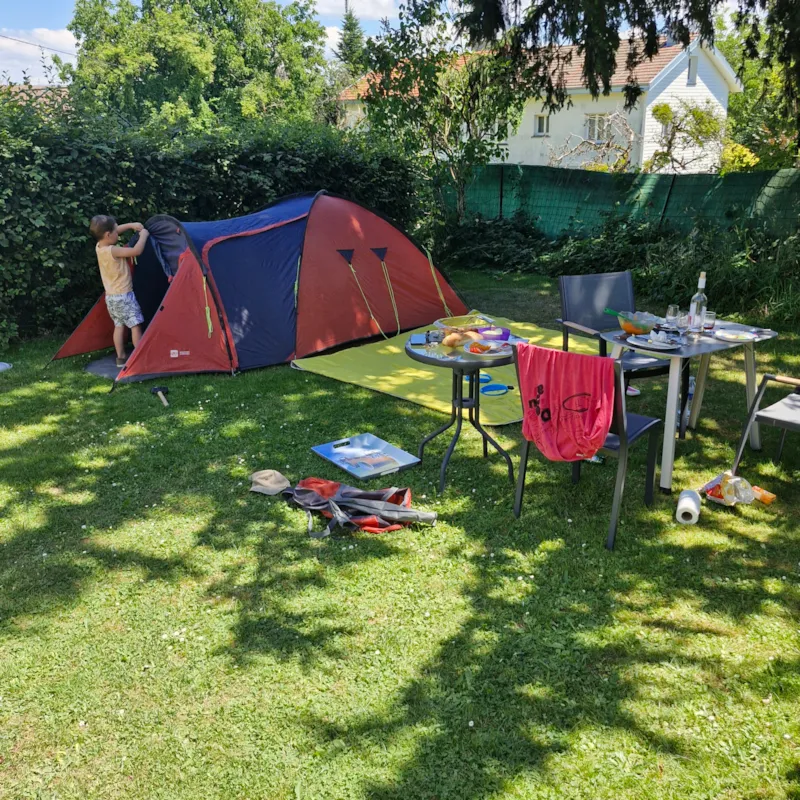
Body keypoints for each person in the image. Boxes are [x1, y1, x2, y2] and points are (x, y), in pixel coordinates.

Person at [89, 215, 150, 367]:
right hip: (125, 295)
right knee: (135, 326)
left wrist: (131, 225)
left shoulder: (99, 247)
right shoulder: (113, 250)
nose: (118, 233)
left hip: (111, 297)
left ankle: (121, 357)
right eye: (116, 232)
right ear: (108, 235)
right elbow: (136, 251)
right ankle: (140, 357)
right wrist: (144, 235)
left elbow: (114, 230)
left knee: (119, 325)